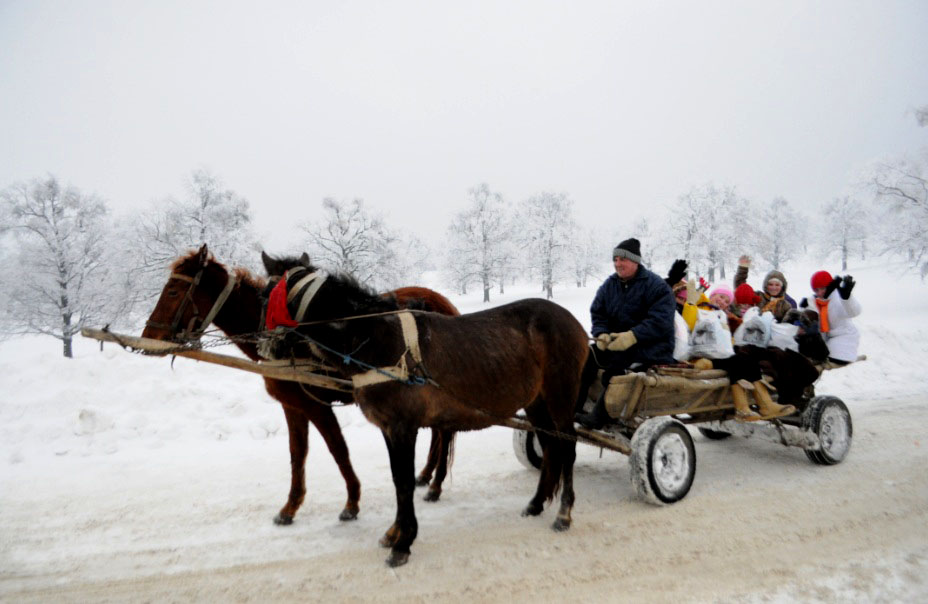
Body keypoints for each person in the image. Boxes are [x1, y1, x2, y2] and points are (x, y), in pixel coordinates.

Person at [575, 238, 676, 430]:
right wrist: (602, 333)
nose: (617, 264)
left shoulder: (656, 286)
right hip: (616, 344)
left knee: (618, 368)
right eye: (615, 259)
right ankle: (574, 407)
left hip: (651, 346)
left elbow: (661, 321)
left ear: (635, 261)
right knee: (586, 357)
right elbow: (598, 312)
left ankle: (600, 416)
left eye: (622, 259)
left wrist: (633, 336)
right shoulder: (610, 284)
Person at [804, 270, 862, 365]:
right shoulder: (819, 301)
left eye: (822, 288)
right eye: (816, 290)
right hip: (829, 339)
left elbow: (855, 312)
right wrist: (805, 307)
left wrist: (847, 298)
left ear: (828, 286)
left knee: (831, 362)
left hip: (845, 337)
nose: (820, 293)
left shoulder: (838, 296)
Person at [734, 255, 796, 321]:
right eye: (770, 284)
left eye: (777, 285)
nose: (773, 287)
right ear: (766, 285)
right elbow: (741, 289)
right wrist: (743, 268)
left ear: (782, 286)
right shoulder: (758, 297)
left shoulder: (787, 303)